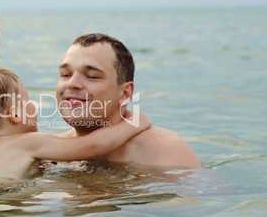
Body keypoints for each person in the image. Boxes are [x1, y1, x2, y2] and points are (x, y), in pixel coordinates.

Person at [0, 66, 151, 179]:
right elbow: (93, 145)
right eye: (27, 100)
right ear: (15, 115)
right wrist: (133, 122)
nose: (34, 106)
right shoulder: (27, 142)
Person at [56, 33, 201, 168]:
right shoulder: (51, 153)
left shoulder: (163, 150)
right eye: (65, 74)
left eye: (92, 76)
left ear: (125, 93)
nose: (72, 83)